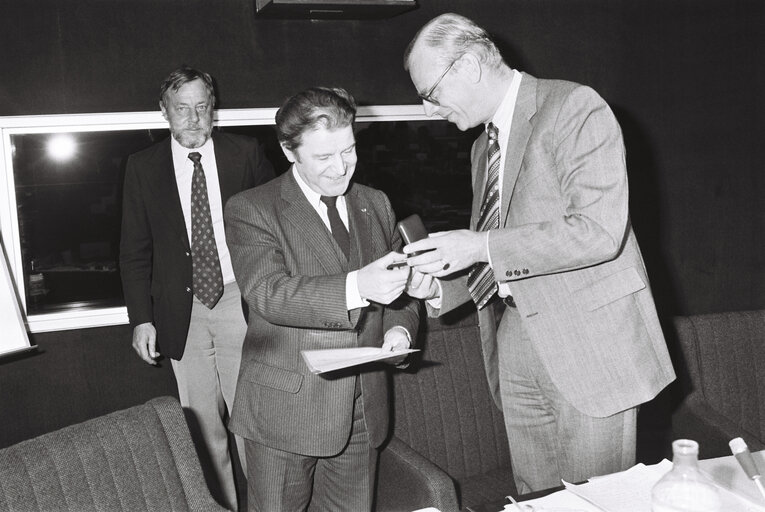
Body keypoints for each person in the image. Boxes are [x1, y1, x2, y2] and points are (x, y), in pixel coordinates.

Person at [402, 13, 676, 494]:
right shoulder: (481, 149)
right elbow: (501, 252)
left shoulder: (573, 107)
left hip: (589, 348)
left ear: (468, 65)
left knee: (597, 501)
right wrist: (443, 289)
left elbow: (597, 231)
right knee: (534, 497)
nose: (428, 110)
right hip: (516, 339)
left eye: (430, 93)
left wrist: (477, 245)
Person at [224, 87, 419, 511]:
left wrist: (400, 331)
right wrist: (356, 287)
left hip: (363, 410)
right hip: (286, 410)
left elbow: (398, 290)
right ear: (288, 151)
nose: (340, 167)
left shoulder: (375, 202)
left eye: (348, 151)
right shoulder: (251, 208)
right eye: (324, 157)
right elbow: (267, 293)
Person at [119, 65, 274, 510]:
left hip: (238, 302)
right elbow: (133, 251)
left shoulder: (245, 154)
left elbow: (276, 228)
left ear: (214, 109)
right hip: (179, 312)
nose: (194, 118)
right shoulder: (142, 167)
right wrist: (141, 319)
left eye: (202, 107)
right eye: (182, 109)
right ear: (163, 111)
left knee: (251, 422)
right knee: (204, 431)